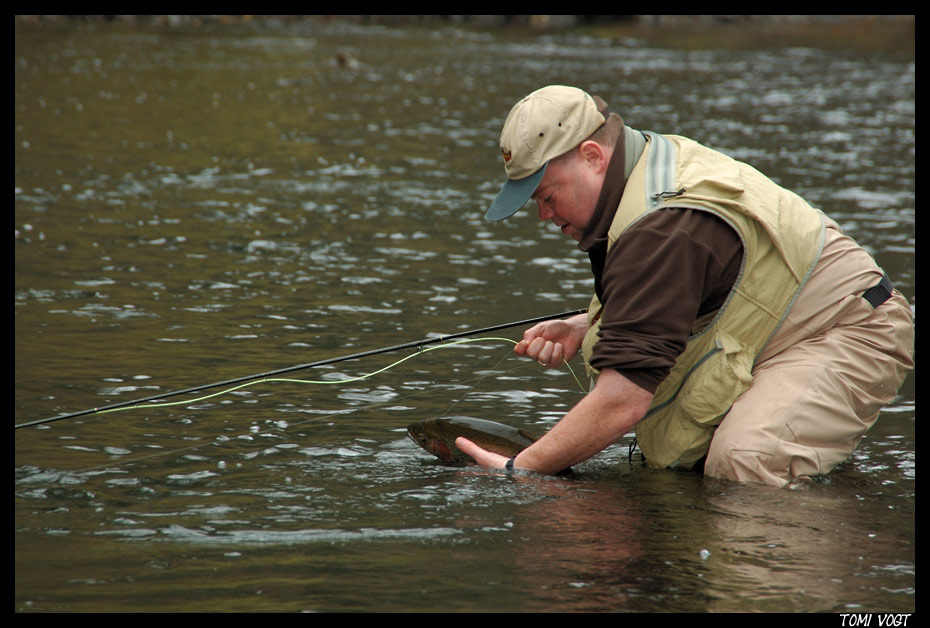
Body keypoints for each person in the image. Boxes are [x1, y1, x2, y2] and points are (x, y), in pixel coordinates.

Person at [456, 85, 914, 487]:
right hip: (780, 317)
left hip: (851, 328)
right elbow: (694, 282)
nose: (545, 216)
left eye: (547, 196)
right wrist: (584, 326)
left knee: (745, 462)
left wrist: (519, 470)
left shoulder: (662, 225)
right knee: (698, 460)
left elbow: (622, 403)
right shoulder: (641, 160)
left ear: (592, 157)